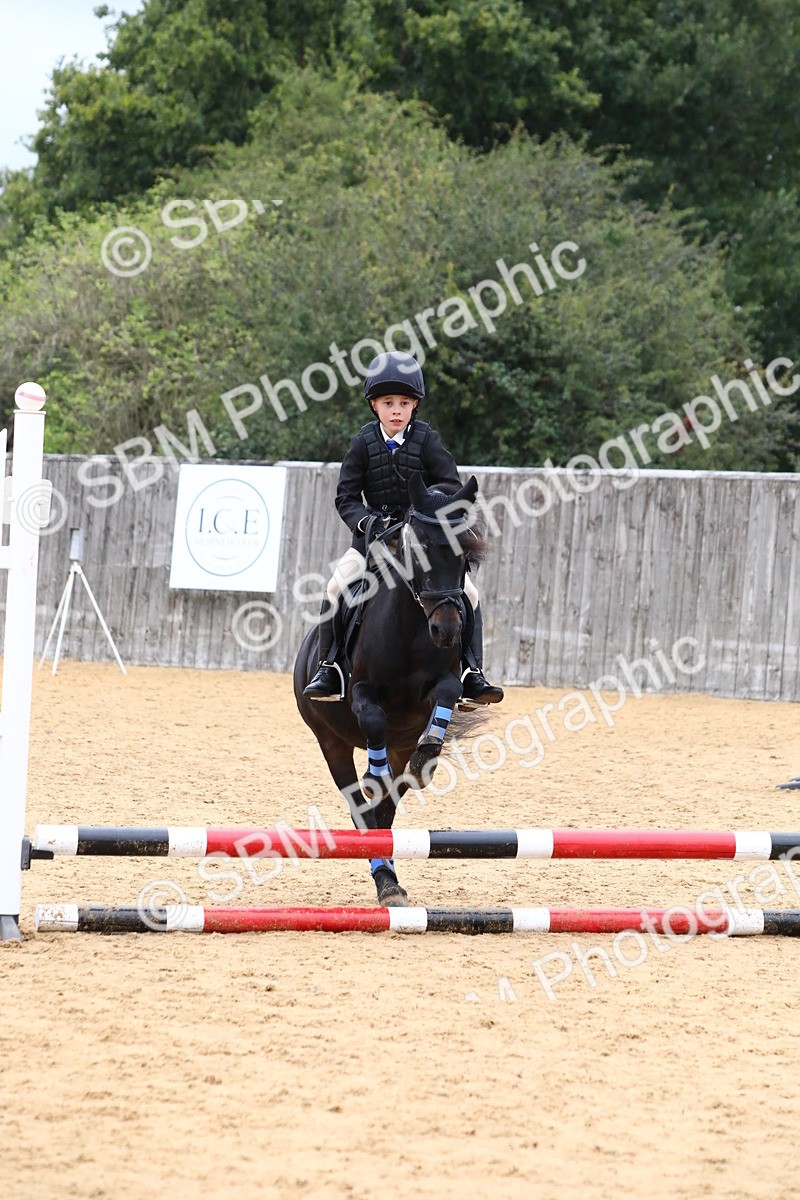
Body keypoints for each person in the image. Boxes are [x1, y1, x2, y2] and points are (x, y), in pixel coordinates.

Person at [303, 350, 504, 705]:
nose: (396, 410)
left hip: (422, 541)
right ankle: (328, 667)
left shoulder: (427, 440)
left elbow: (448, 486)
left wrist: (426, 510)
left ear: (415, 406)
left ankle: (473, 672)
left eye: (404, 403)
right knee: (335, 587)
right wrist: (366, 522)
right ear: (374, 406)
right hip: (372, 542)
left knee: (470, 594)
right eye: (388, 402)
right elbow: (345, 497)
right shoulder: (362, 443)